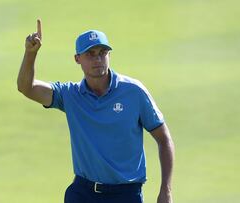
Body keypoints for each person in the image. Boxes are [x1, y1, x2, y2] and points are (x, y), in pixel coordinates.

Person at [17, 19, 175, 203]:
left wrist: (166, 190)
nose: (98, 59)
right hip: (83, 192)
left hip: (125, 194)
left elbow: (164, 139)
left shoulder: (134, 92)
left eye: (103, 53)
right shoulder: (70, 95)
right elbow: (26, 88)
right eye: (90, 54)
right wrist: (30, 54)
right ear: (77, 59)